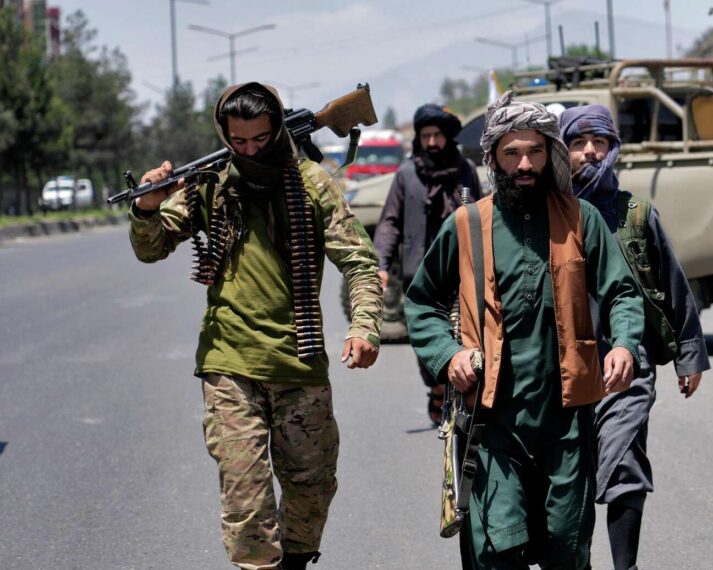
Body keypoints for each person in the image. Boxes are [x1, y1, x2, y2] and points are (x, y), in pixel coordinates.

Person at [127, 82, 383, 570]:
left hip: (300, 362)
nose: (248, 151)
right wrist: (146, 207)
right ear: (224, 134)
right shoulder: (210, 182)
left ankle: (295, 561)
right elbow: (151, 248)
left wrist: (364, 326)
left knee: (311, 487)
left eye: (260, 140)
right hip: (230, 364)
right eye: (237, 142)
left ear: (280, 128)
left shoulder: (311, 182)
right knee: (246, 499)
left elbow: (360, 262)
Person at [404, 92, 645, 569]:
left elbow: (621, 292)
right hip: (493, 422)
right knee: (498, 547)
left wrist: (623, 344)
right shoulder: (467, 225)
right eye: (511, 153)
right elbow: (423, 301)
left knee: (566, 543)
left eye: (535, 151)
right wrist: (447, 355)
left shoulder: (583, 219)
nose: (525, 164)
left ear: (550, 152)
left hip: (567, 422)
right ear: (493, 158)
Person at [559, 104, 710, 570]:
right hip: (559, 366)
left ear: (613, 148)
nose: (589, 153)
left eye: (599, 142)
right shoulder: (547, 215)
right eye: (578, 143)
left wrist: (689, 357)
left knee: (623, 460)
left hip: (628, 362)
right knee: (570, 474)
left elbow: (674, 283)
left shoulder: (637, 214)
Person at [373, 103, 481, 425]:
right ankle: (437, 388)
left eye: (437, 135)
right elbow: (390, 222)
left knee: (462, 338)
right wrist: (381, 264)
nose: (432, 143)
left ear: (448, 137)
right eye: (426, 136)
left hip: (460, 275)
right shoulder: (406, 174)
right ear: (418, 139)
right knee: (425, 342)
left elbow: (479, 217)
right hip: (419, 277)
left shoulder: (465, 171)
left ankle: (457, 394)